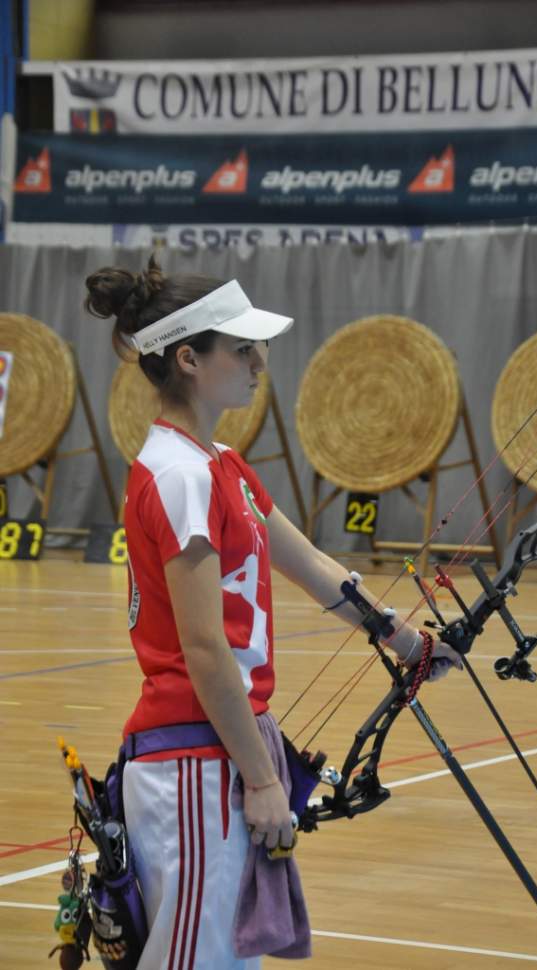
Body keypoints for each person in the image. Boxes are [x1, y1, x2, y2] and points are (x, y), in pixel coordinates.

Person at [84, 256, 462, 970]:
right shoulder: (180, 475)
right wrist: (262, 781)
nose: (260, 362)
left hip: (221, 747)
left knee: (228, 958)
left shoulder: (220, 463)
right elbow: (203, 649)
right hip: (194, 761)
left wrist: (408, 642)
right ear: (189, 358)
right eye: (242, 348)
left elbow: (315, 567)